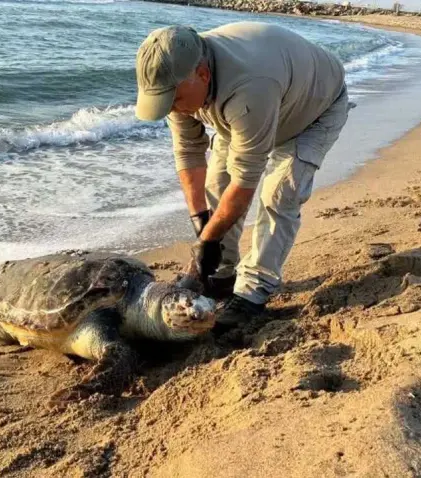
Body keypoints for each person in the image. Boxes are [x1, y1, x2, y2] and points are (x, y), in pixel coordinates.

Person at [134, 21, 351, 330]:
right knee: (216, 187)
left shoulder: (250, 86)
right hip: (249, 110)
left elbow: (245, 181)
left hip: (313, 110)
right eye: (163, 101)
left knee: (279, 195)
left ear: (203, 75)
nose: (172, 109)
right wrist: (201, 222)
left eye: (174, 100)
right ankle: (222, 275)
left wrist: (207, 241)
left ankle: (254, 291)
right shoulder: (178, 80)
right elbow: (188, 152)